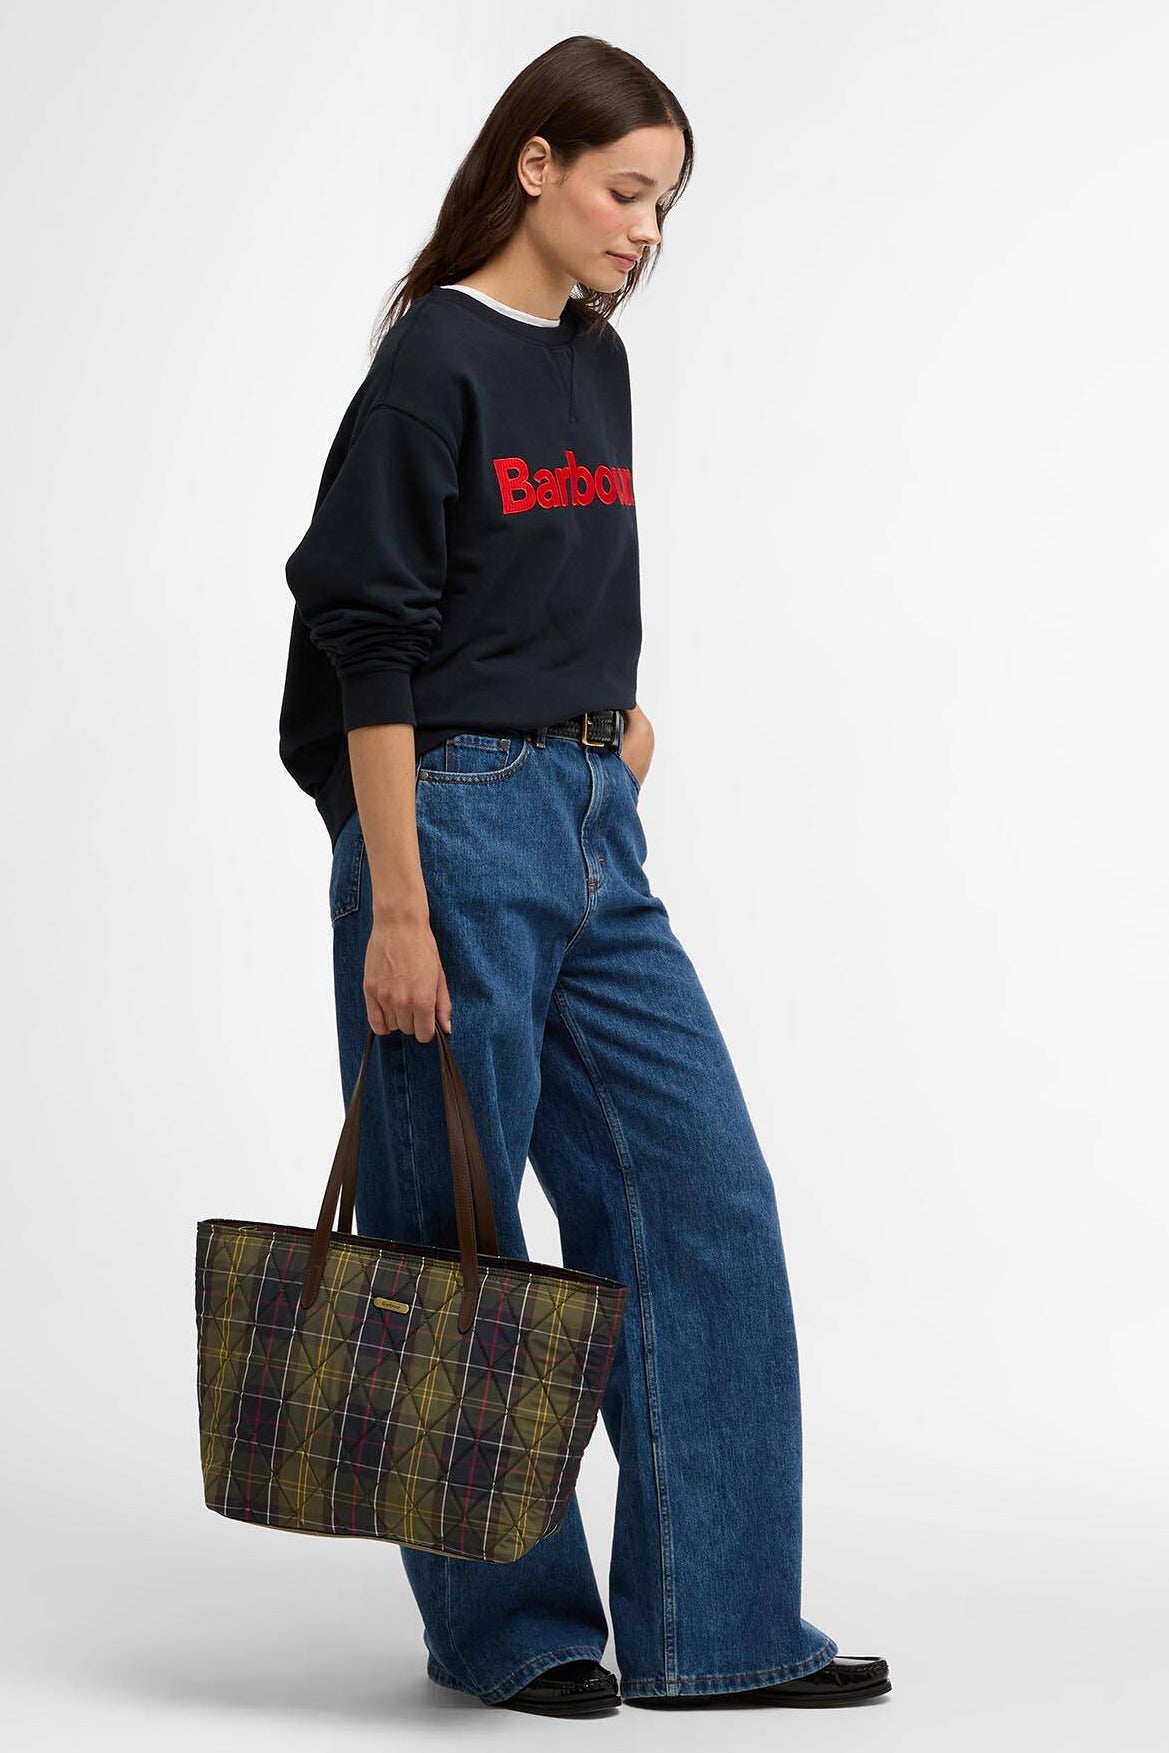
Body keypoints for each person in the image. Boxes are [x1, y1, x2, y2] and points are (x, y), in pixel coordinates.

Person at [278, 32, 890, 1720]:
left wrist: (609, 729)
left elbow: (556, 575)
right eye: (626, 191)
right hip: (445, 819)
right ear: (533, 164)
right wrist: (398, 898)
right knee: (456, 1233)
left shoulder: (590, 360)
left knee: (700, 1196)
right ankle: (506, 1624)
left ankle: (716, 1625)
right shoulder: (430, 366)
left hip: (588, 820)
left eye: (665, 205)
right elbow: (366, 635)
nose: (645, 230)